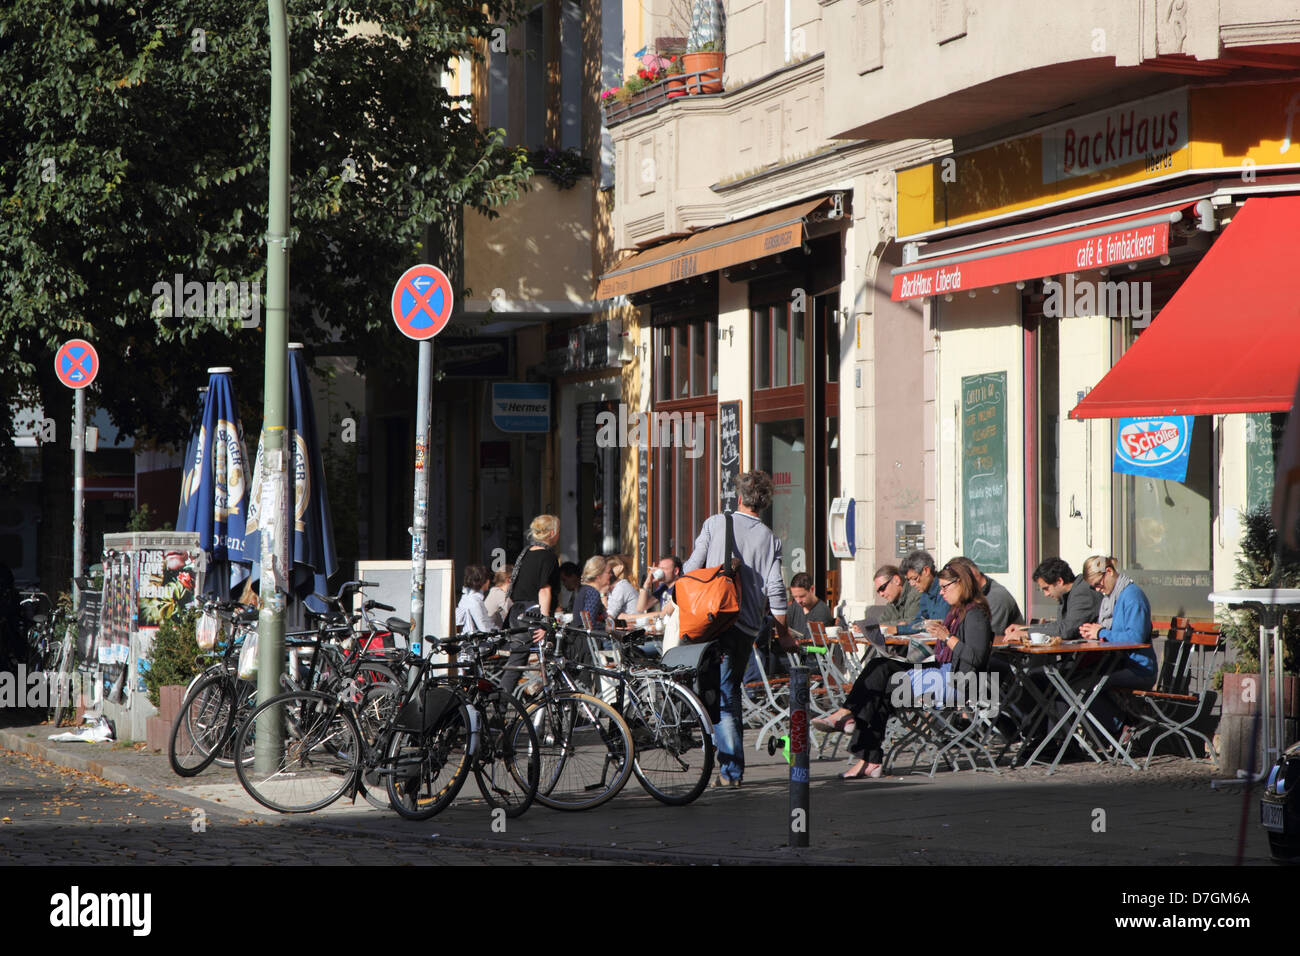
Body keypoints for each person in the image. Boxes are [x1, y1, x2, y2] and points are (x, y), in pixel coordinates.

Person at [816, 559, 994, 779]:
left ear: (962, 583)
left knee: (878, 684)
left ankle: (863, 750)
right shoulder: (957, 612)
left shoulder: (975, 613)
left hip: (958, 683)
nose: (942, 593)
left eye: (945, 588)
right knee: (877, 670)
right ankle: (863, 749)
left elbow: (976, 657)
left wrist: (946, 637)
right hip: (942, 672)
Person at [683, 470, 795, 788]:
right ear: (764, 502)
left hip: (709, 619)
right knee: (730, 693)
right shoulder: (770, 538)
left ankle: (728, 765)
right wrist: (782, 631)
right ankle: (731, 769)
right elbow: (775, 588)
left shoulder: (715, 523)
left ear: (740, 498)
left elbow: (692, 568)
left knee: (712, 692)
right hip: (745, 626)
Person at [1077, 556, 1156, 739]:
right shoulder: (1114, 597)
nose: (1098, 590)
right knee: (1078, 683)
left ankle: (1121, 728)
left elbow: (1135, 638)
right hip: (1120, 664)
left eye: (1098, 584)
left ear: (1109, 572)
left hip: (1139, 669)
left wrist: (1102, 633)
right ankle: (1111, 730)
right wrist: (1094, 634)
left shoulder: (1131, 596)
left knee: (1087, 687)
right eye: (1094, 587)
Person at [501, 514, 562, 689]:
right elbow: (544, 589)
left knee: (515, 665)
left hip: (518, 613)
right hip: (535, 614)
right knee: (551, 662)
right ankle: (550, 704)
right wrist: (544, 622)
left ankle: (501, 706)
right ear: (552, 533)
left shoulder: (525, 553)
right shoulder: (548, 557)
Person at [1006, 557, 1100, 643]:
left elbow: (1066, 630)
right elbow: (1060, 625)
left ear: (1059, 581)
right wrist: (1025, 629)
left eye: (1046, 588)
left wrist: (1027, 634)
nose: (1046, 594)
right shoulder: (1069, 594)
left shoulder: (1082, 593)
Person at [949, 556, 1024, 635]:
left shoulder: (996, 597)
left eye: (957, 581)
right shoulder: (970, 595)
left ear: (969, 576)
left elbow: (985, 636)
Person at [898, 550, 948, 634]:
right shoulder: (925, 592)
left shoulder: (944, 589)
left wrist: (899, 629)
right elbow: (918, 621)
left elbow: (938, 624)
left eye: (914, 578)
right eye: (908, 580)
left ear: (926, 571)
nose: (912, 584)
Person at [871, 565, 921, 636]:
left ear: (896, 580)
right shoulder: (892, 603)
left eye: (882, 588)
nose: (881, 594)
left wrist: (893, 627)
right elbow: (879, 623)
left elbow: (912, 623)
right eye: (878, 592)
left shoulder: (915, 594)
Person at [786, 572, 835, 638]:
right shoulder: (793, 607)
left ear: (812, 589)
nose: (798, 601)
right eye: (795, 597)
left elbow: (815, 642)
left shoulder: (822, 612)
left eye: (802, 596)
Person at [455, 564, 494, 635]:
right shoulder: (475, 602)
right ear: (486, 581)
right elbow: (484, 628)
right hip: (476, 641)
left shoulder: (465, 597)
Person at [603, 554, 640, 625]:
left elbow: (609, 616)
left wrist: (603, 595)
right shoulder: (614, 588)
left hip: (633, 629)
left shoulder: (621, 587)